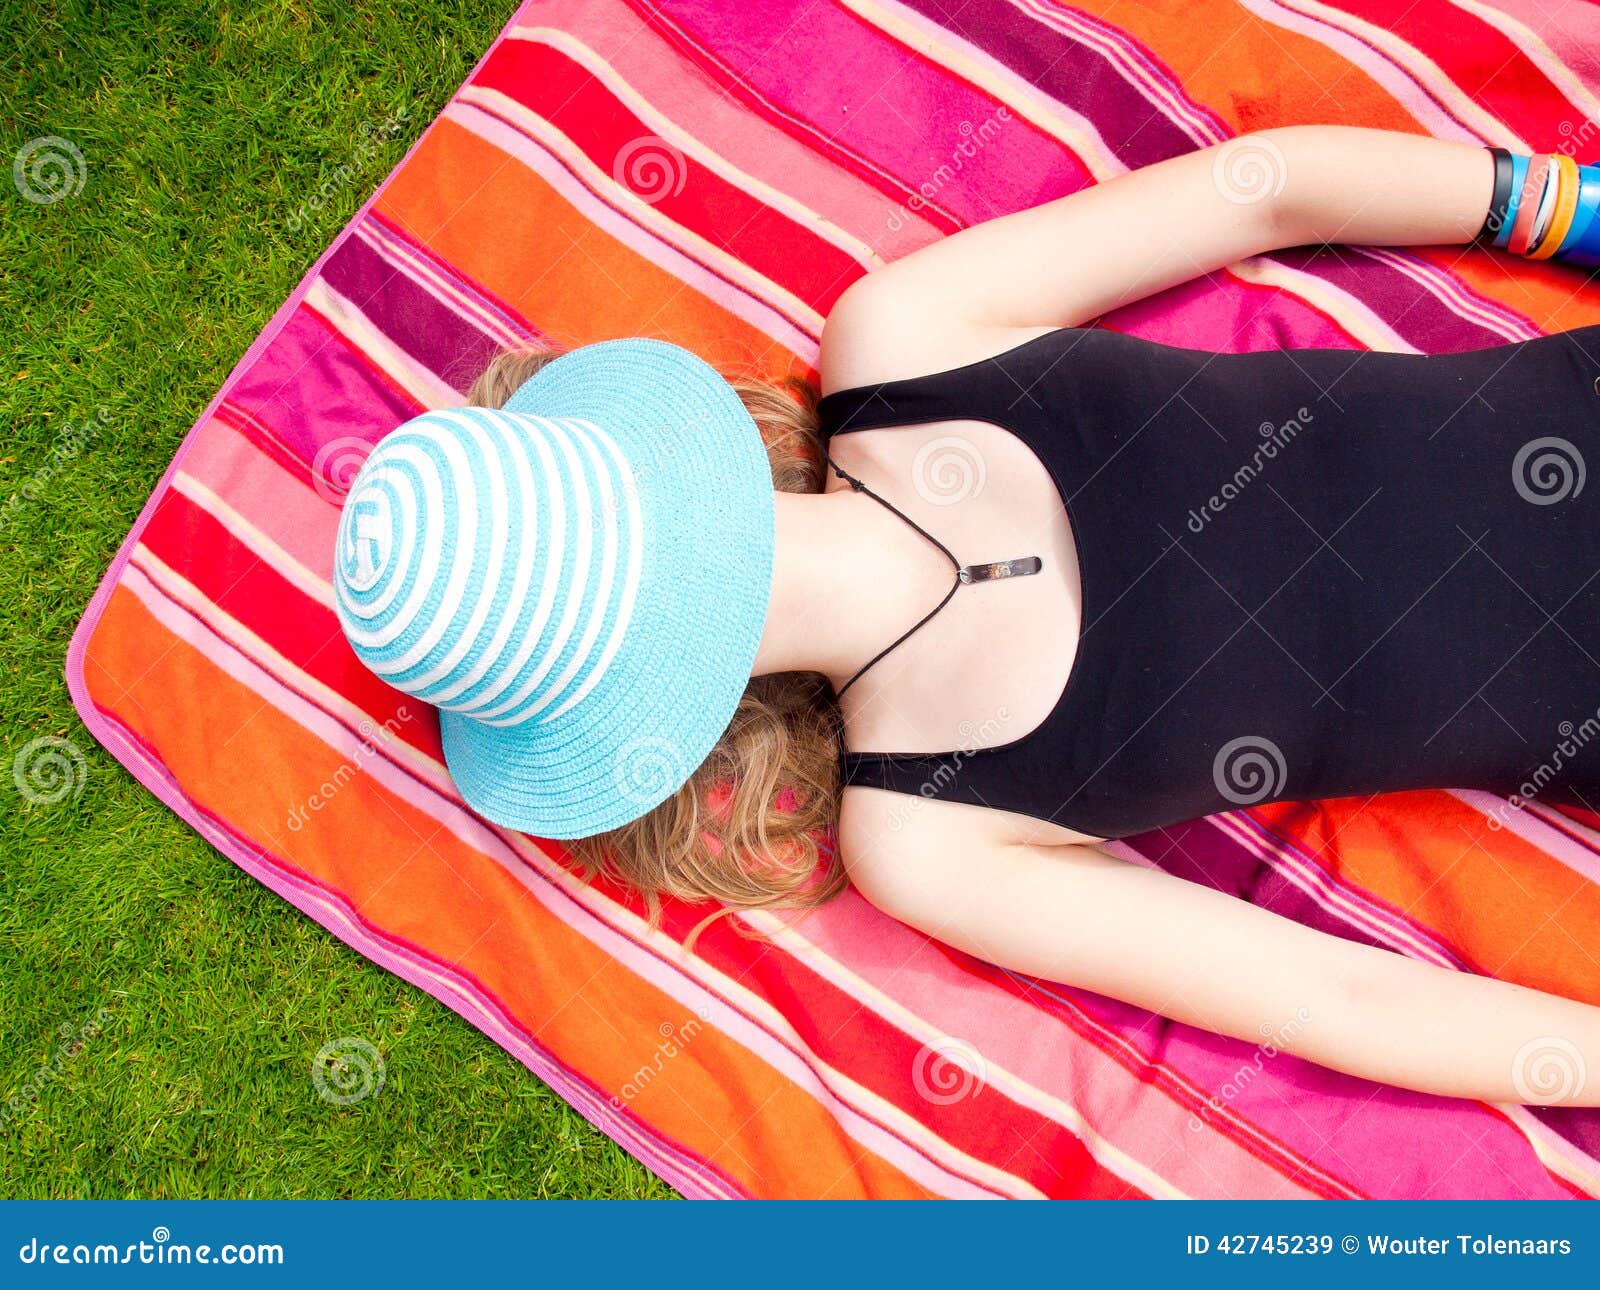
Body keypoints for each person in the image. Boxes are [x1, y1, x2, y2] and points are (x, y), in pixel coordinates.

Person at [333, 124, 1600, 1107]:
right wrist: (1556, 206)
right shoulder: (920, 826)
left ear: (634, 725)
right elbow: (1269, 186)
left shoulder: (901, 350)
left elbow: (1339, 1000)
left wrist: (1567, 208)